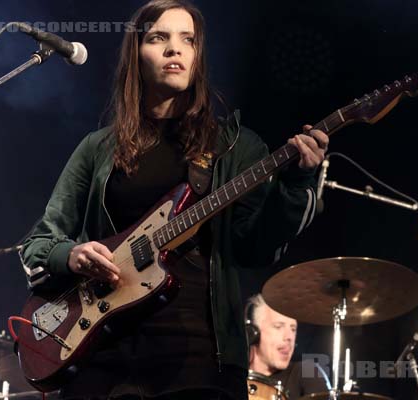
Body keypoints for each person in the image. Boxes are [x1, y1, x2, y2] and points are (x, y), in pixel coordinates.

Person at [19, 1, 328, 399]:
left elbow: (255, 247)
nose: (174, 49)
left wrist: (300, 180)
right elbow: (38, 244)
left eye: (188, 40)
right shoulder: (97, 148)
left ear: (198, 56)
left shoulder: (234, 145)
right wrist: (72, 256)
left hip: (198, 358)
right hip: (100, 351)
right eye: (159, 38)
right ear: (136, 53)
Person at [246, 294, 331, 399]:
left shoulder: (307, 372)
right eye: (278, 326)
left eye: (293, 329)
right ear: (254, 333)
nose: (289, 337)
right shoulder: (234, 378)